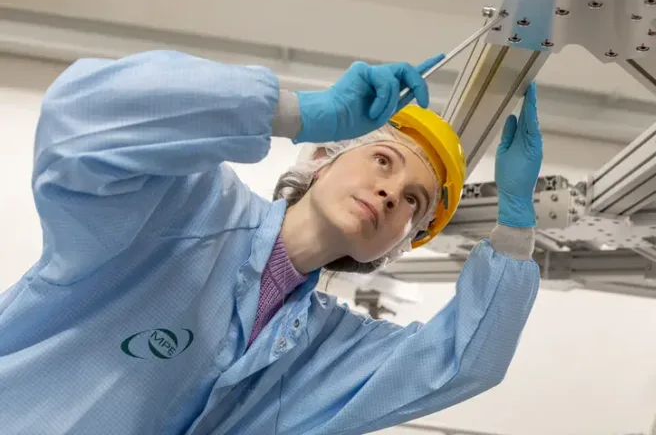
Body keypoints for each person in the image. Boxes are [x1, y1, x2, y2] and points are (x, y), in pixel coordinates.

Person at [0, 49, 542, 434]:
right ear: (325, 158)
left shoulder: (324, 351)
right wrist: (297, 112)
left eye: (414, 203)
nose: (390, 192)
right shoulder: (183, 205)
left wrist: (515, 227)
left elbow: (460, 363)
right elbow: (80, 122)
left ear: (399, 244)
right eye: (384, 160)